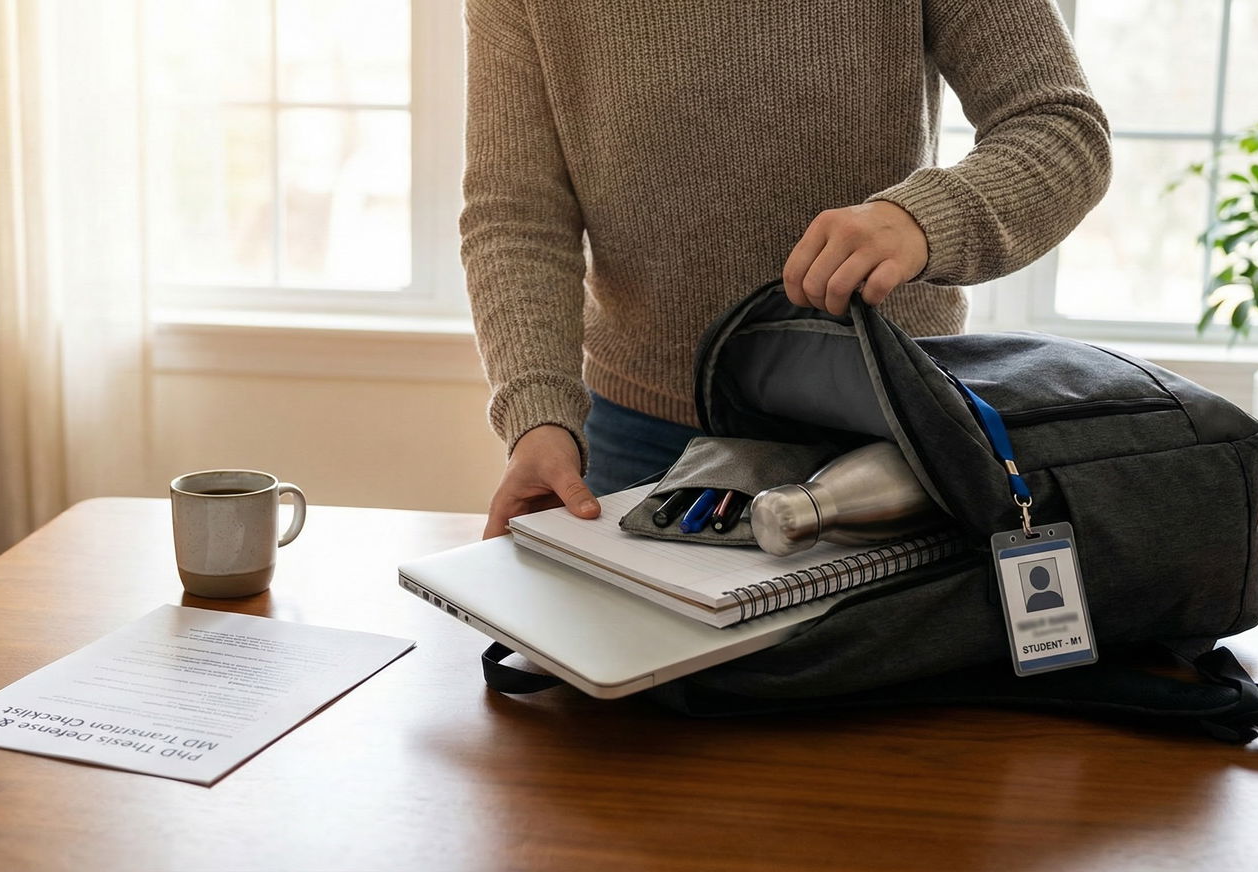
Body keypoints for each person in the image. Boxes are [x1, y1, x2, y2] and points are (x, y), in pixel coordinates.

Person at [460, 0, 1112, 539]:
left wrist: (924, 219)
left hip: (885, 424)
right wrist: (538, 416)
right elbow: (518, 213)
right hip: (638, 439)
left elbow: (1060, 127)